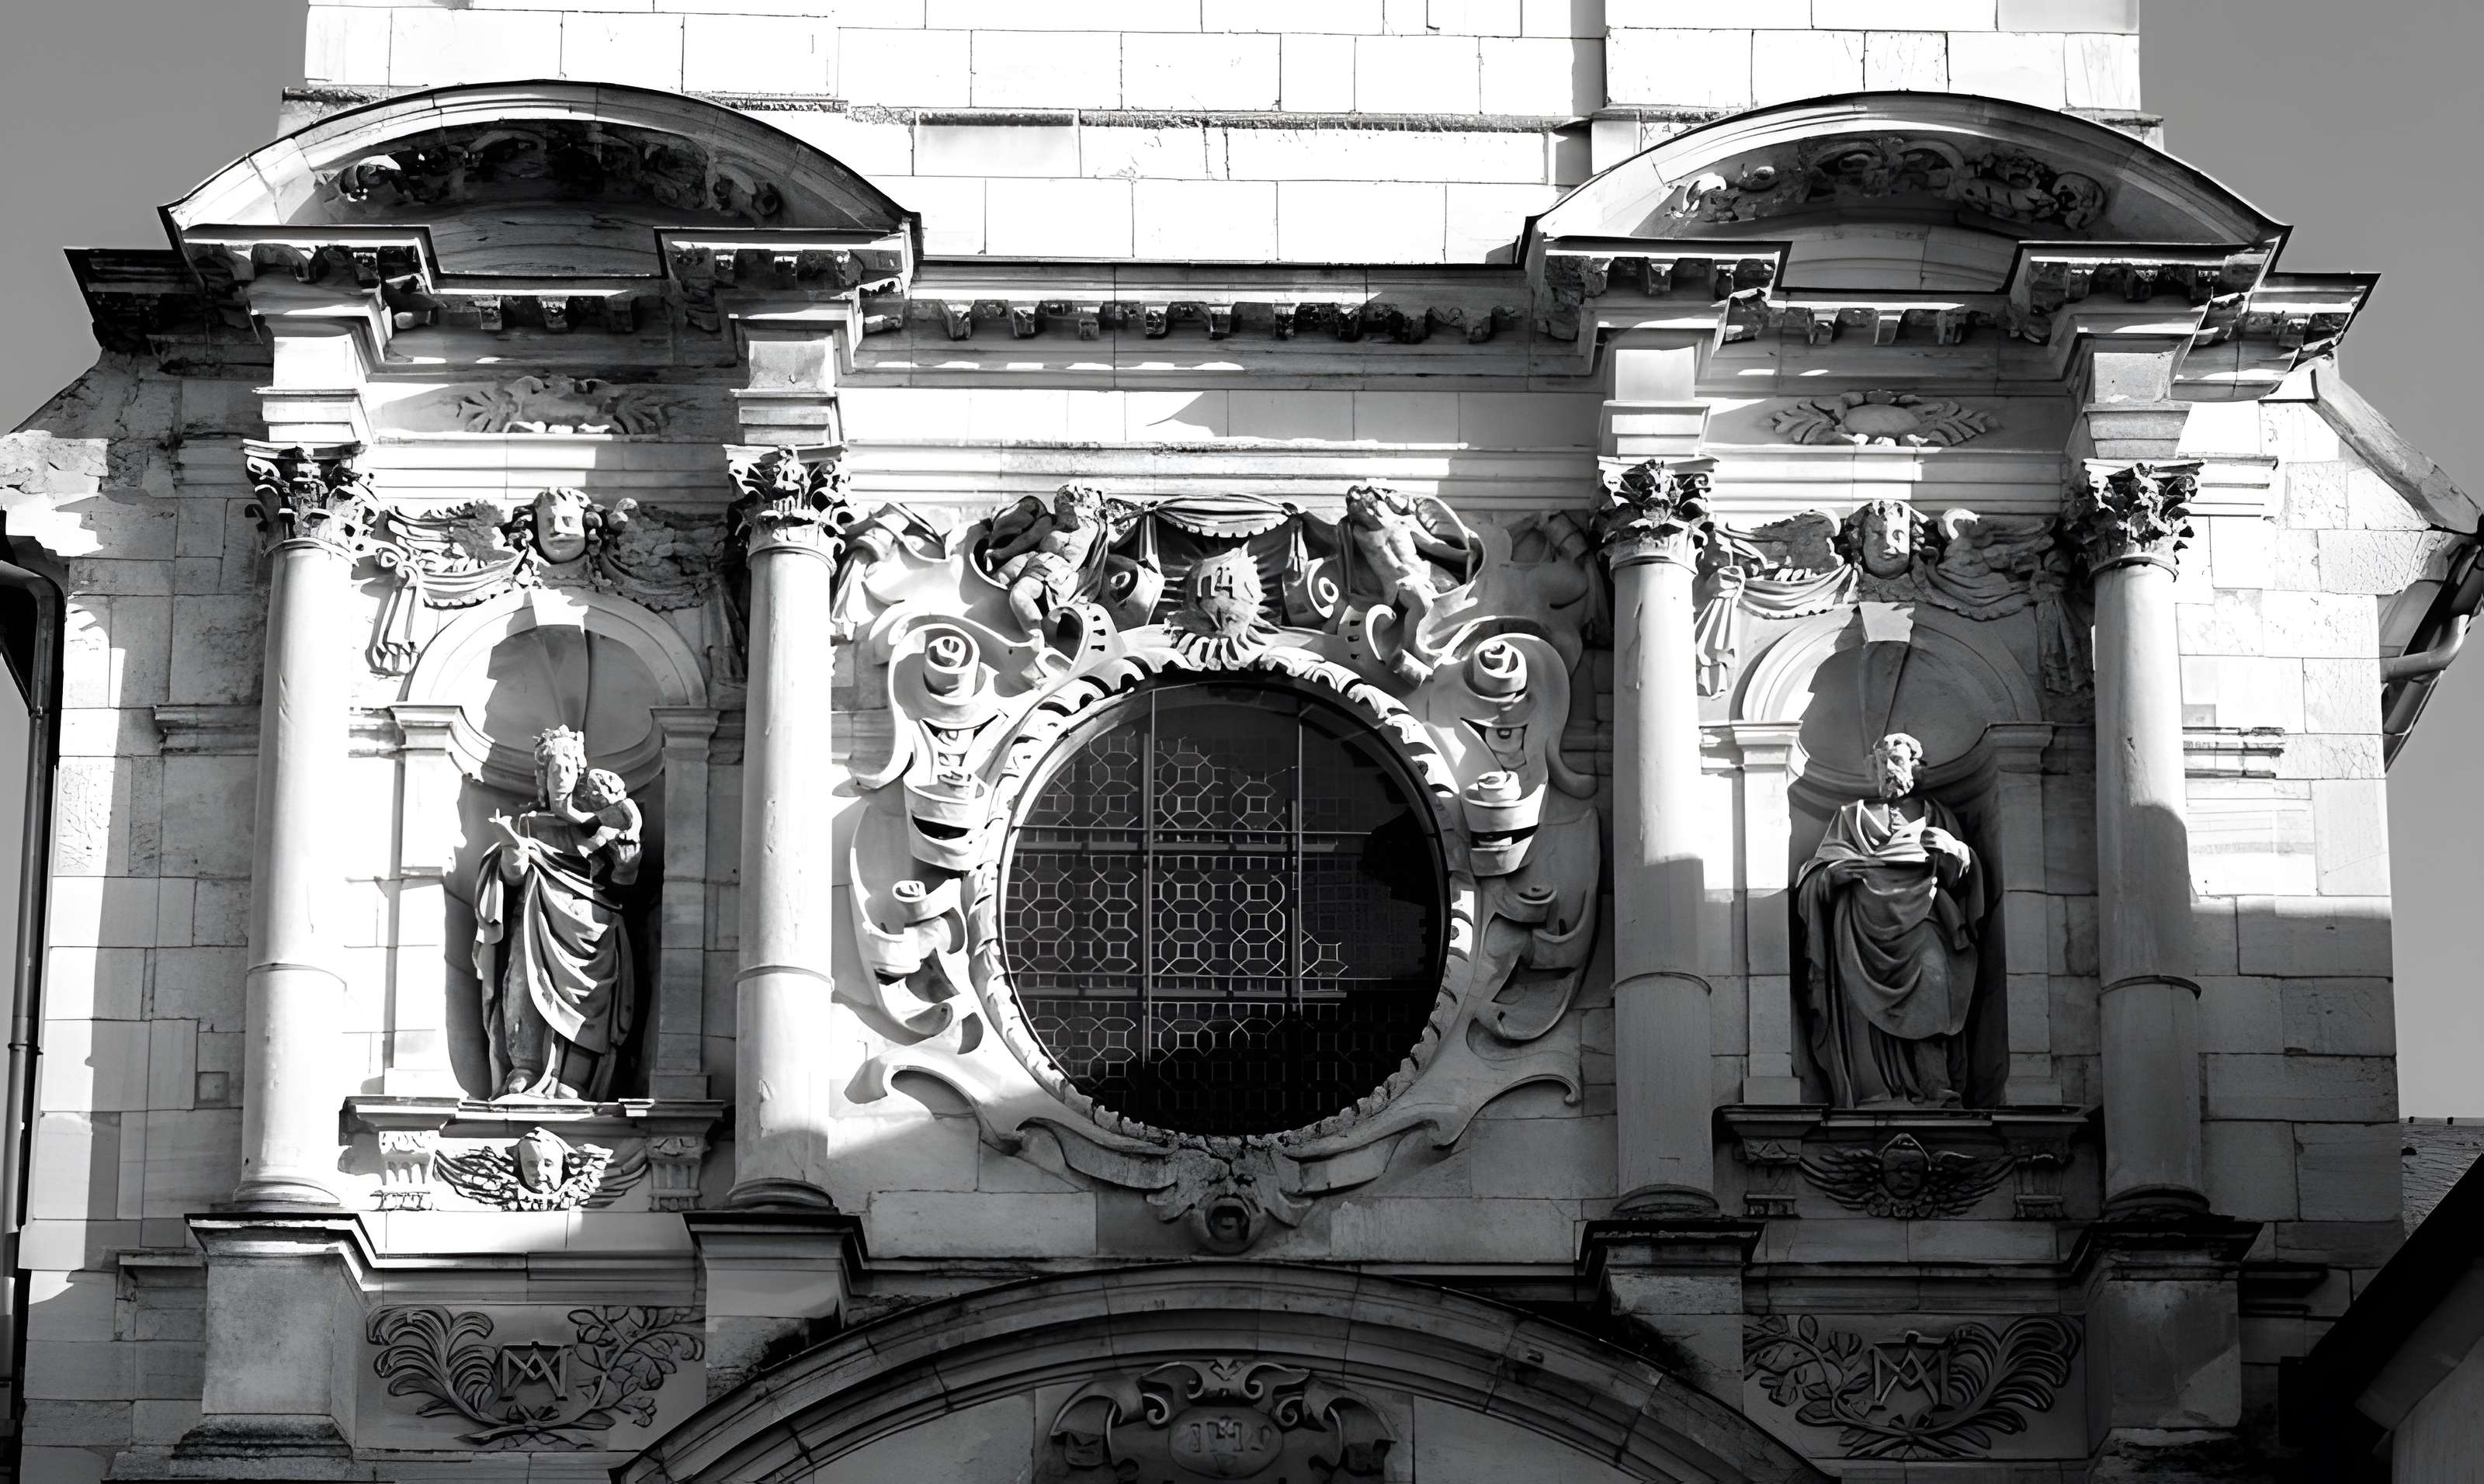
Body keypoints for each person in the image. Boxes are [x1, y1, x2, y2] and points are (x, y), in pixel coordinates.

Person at [1793, 733, 1990, 1108]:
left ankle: (1935, 1085)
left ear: (1916, 766)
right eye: (1882, 764)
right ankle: (1878, 1092)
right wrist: (1835, 875)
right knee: (1863, 1012)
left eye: (1896, 761)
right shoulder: (1851, 817)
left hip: (1925, 919)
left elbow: (1963, 879)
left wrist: (1954, 850)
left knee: (1933, 990)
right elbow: (1815, 876)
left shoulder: (1938, 815)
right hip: (1860, 928)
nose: (1889, 771)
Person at [473, 726, 638, 1101]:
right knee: (523, 987)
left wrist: (628, 864)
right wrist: (512, 849)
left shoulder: (600, 828)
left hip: (591, 927)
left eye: (569, 769)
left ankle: (574, 1081)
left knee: (587, 1000)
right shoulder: (527, 825)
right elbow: (510, 878)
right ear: (542, 778)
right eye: (554, 769)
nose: (562, 776)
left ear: (580, 776)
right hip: (533, 922)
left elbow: (624, 881)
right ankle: (525, 1069)